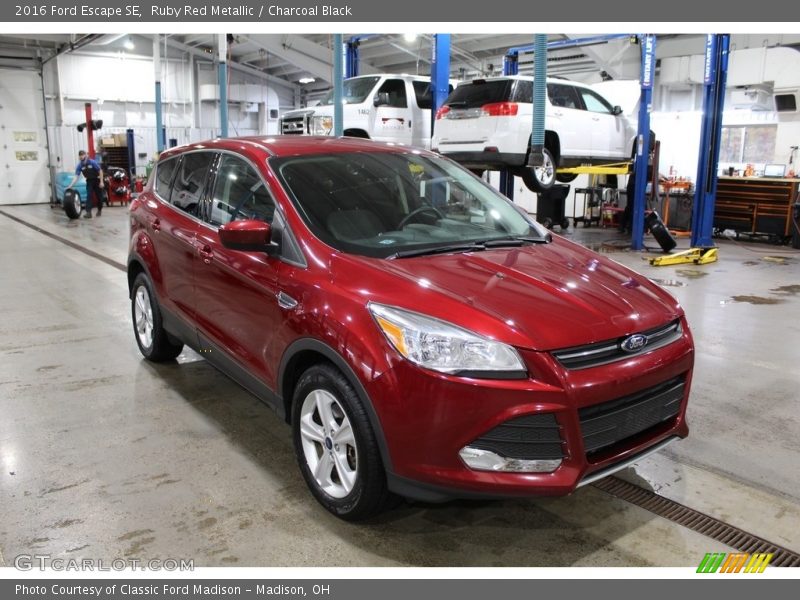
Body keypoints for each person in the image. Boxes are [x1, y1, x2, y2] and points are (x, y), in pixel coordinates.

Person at [619, 131, 656, 234]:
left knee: (631, 205)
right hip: (634, 184)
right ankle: (631, 228)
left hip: (634, 184)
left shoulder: (643, 157)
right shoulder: (643, 158)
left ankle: (625, 227)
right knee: (634, 206)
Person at [67, 150, 104, 219]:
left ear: (86, 155)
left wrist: (101, 182)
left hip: (97, 180)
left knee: (99, 197)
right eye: (80, 155)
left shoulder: (92, 162)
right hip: (89, 181)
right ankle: (88, 213)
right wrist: (70, 185)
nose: (81, 156)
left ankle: (99, 209)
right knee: (89, 196)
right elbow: (76, 176)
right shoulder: (80, 165)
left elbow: (100, 171)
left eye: (82, 155)